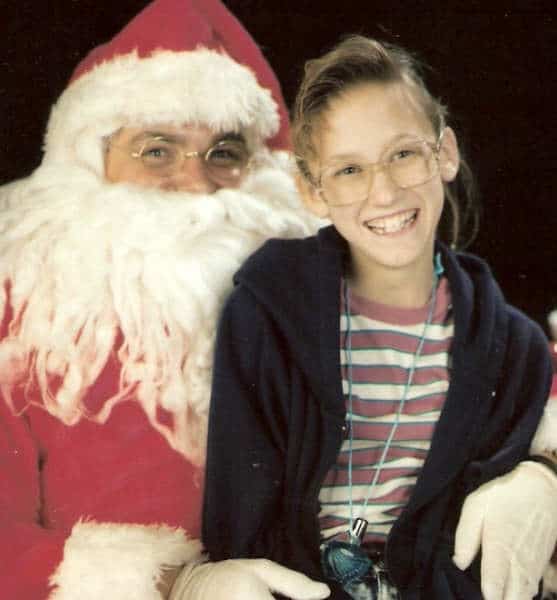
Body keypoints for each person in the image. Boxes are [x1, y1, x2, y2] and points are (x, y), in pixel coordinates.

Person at [203, 35, 557, 599]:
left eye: (403, 154)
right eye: (349, 170)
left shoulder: (513, 345)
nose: (384, 192)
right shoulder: (266, 310)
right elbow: (238, 516)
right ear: (312, 190)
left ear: (444, 154)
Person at [0, 1, 332, 598]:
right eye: (157, 151)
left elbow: (495, 349)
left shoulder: (315, 275)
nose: (196, 183)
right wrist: (171, 585)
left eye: (224, 154)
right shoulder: (19, 306)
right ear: (90, 158)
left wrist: (544, 471)